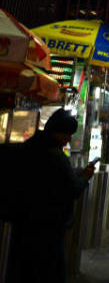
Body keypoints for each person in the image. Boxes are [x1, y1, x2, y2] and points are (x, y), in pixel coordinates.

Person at [6, 109, 95, 283]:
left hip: (23, 222)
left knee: (24, 271)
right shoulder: (56, 155)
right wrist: (85, 176)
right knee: (49, 271)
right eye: (67, 134)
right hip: (49, 226)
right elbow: (72, 189)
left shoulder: (30, 146)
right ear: (58, 131)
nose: (69, 139)